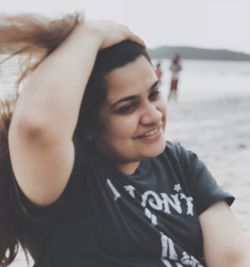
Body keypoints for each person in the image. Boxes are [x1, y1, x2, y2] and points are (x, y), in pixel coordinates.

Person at [0, 13, 249, 267]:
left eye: (154, 94)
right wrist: (91, 32)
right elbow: (37, 128)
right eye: (127, 108)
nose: (153, 116)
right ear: (86, 124)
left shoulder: (181, 164)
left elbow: (233, 259)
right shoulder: (67, 179)